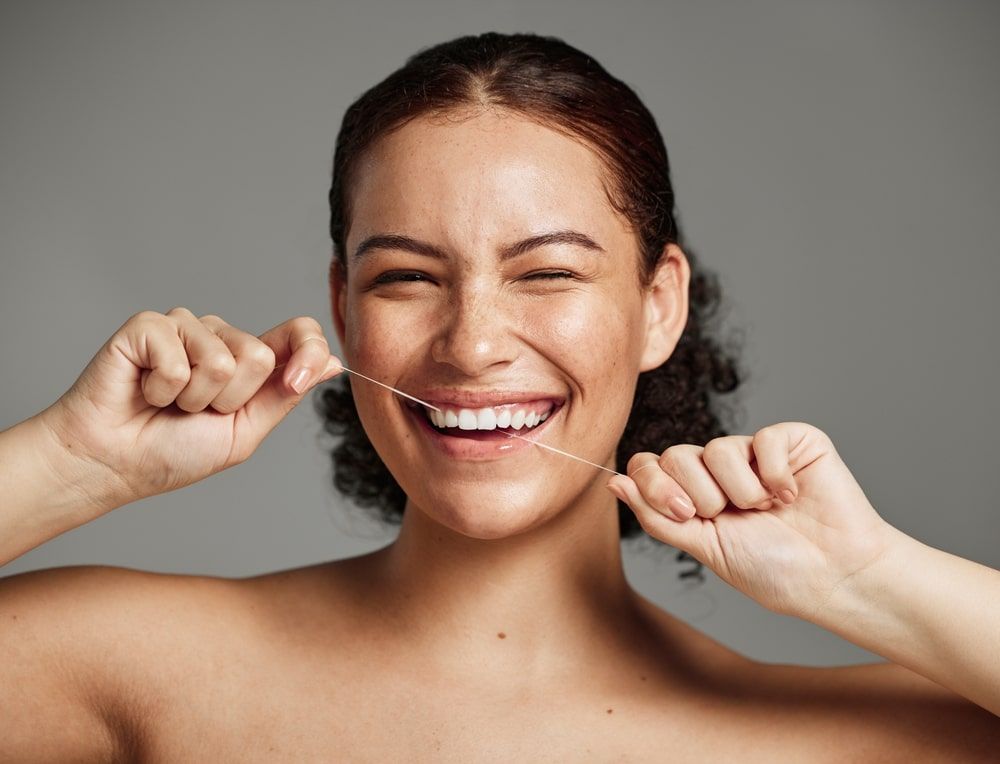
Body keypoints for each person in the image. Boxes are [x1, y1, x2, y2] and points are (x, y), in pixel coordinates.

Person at [1, 31, 998, 761]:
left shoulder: (855, 739)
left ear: (659, 307)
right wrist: (66, 462)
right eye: (406, 277)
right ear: (343, 312)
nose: (471, 344)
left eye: (548, 273)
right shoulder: (142, 668)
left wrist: (872, 577)